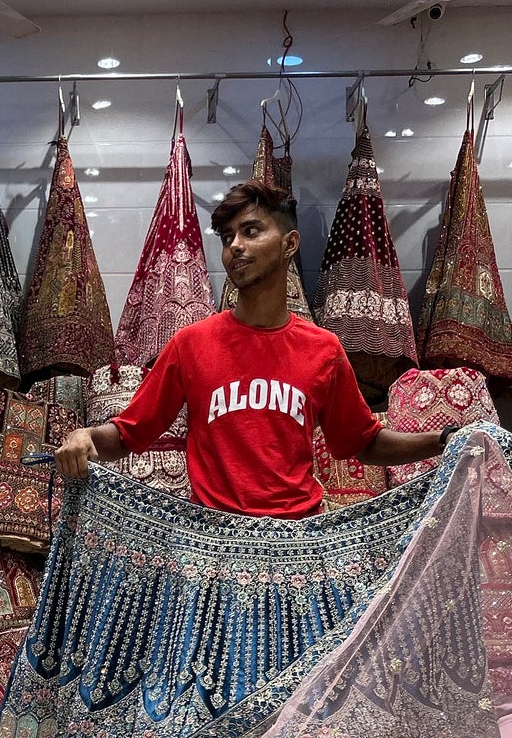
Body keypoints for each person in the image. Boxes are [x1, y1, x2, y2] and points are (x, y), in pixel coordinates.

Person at [55, 180, 445, 513]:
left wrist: (445, 441)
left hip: (296, 547)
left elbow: (365, 443)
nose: (235, 247)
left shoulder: (323, 350)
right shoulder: (191, 344)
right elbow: (127, 435)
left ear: (290, 243)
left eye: (252, 231)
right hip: (214, 550)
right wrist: (85, 436)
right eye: (228, 239)